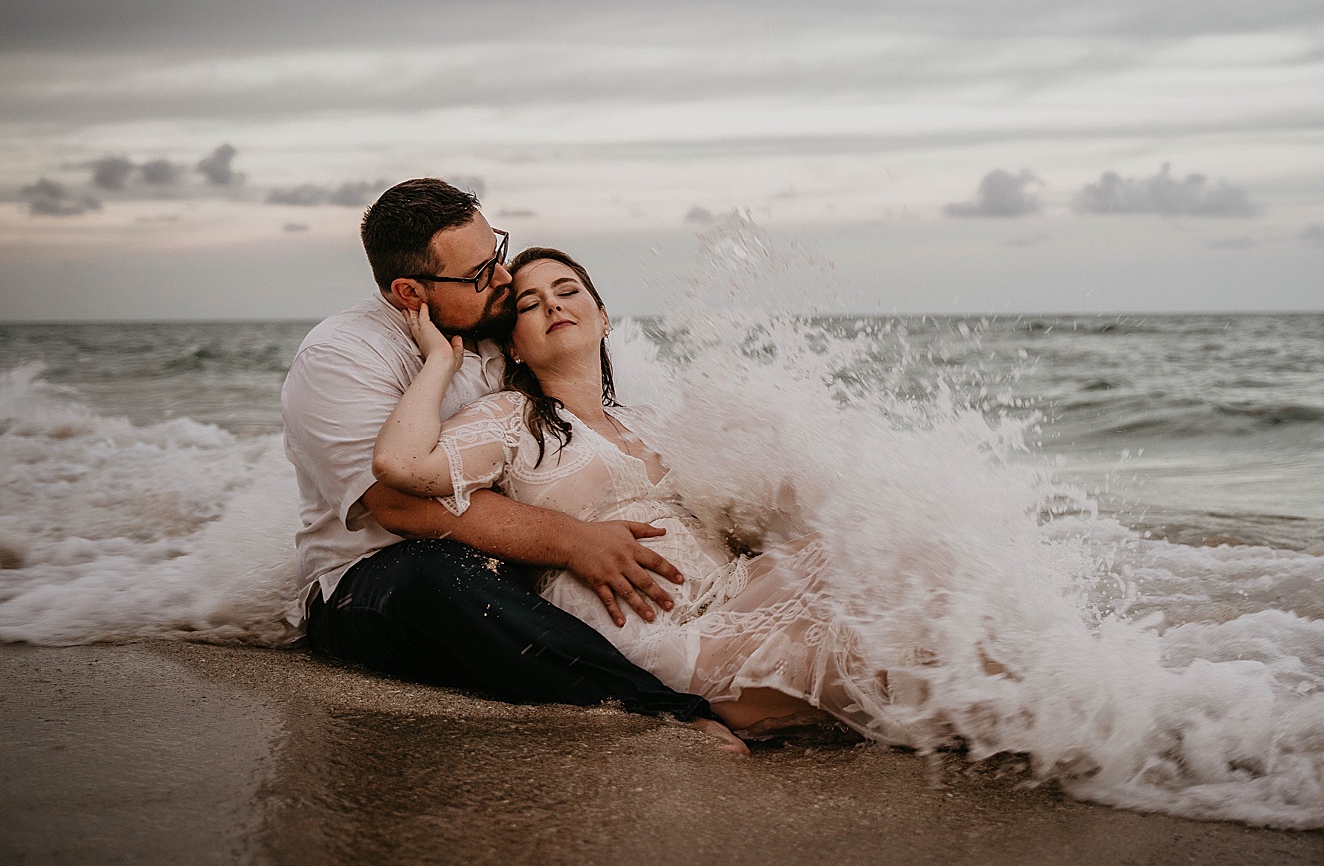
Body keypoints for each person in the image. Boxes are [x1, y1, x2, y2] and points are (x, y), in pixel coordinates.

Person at [281, 178, 746, 752]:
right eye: (479, 275)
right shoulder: (342, 356)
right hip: (375, 585)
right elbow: (400, 506)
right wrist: (573, 540)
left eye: (496, 254)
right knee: (439, 572)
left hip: (510, 560)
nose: (503, 279)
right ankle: (657, 712)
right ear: (409, 292)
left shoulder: (501, 330)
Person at [371, 244, 898, 741]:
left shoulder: (658, 423)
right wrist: (440, 362)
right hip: (658, 630)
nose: (553, 304)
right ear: (514, 344)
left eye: (568, 290)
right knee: (864, 657)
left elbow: (744, 518)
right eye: (530, 304)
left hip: (730, 591)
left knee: (879, 560)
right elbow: (401, 465)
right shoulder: (510, 419)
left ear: (603, 319)